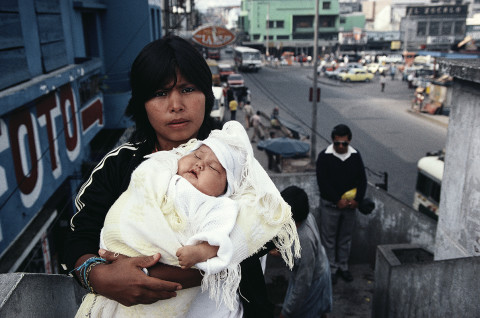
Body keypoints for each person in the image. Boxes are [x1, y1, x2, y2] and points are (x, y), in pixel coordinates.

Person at [63, 35, 286, 317]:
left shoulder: (231, 157)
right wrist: (99, 277)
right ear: (141, 103)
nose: (176, 105)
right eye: (159, 93)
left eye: (188, 88)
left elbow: (266, 227)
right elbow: (76, 239)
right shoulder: (118, 167)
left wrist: (168, 273)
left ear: (207, 93)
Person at [75, 121, 300, 317]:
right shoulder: (149, 166)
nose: (176, 105)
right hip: (122, 253)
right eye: (196, 156)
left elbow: (226, 231)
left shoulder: (219, 203)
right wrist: (99, 274)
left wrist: (202, 251)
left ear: (226, 188)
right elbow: (81, 235)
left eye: (213, 167)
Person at [316, 124, 367, 284]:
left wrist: (357, 200)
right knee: (329, 240)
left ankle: (343, 267)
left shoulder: (355, 156)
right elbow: (322, 182)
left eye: (344, 143)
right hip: (331, 206)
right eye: (337, 143)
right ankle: (331, 268)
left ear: (349, 141)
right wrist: (336, 200)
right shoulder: (324, 156)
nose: (340, 146)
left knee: (345, 238)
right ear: (333, 140)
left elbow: (362, 180)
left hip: (350, 207)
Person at [279, 186, 332, 318]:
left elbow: (303, 284)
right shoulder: (306, 216)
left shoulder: (304, 239)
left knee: (306, 310)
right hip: (317, 266)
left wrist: (286, 312)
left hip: (313, 279)